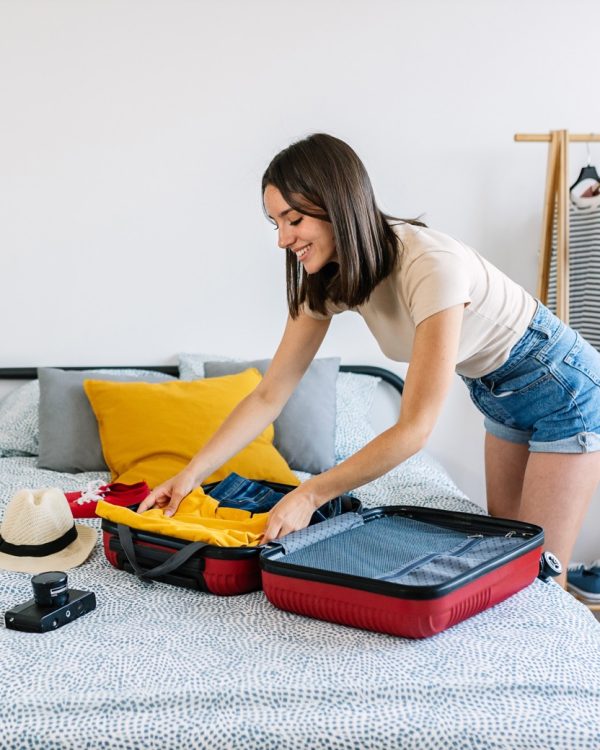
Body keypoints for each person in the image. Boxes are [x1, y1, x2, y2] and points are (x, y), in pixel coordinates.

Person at [138, 132, 600, 583]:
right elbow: (267, 395)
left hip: (560, 386)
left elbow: (414, 430)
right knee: (506, 556)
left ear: (336, 204)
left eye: (294, 220)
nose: (283, 240)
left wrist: (309, 495)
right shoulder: (331, 280)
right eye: (276, 223)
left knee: (537, 575)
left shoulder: (430, 265)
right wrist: (190, 476)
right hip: (496, 393)